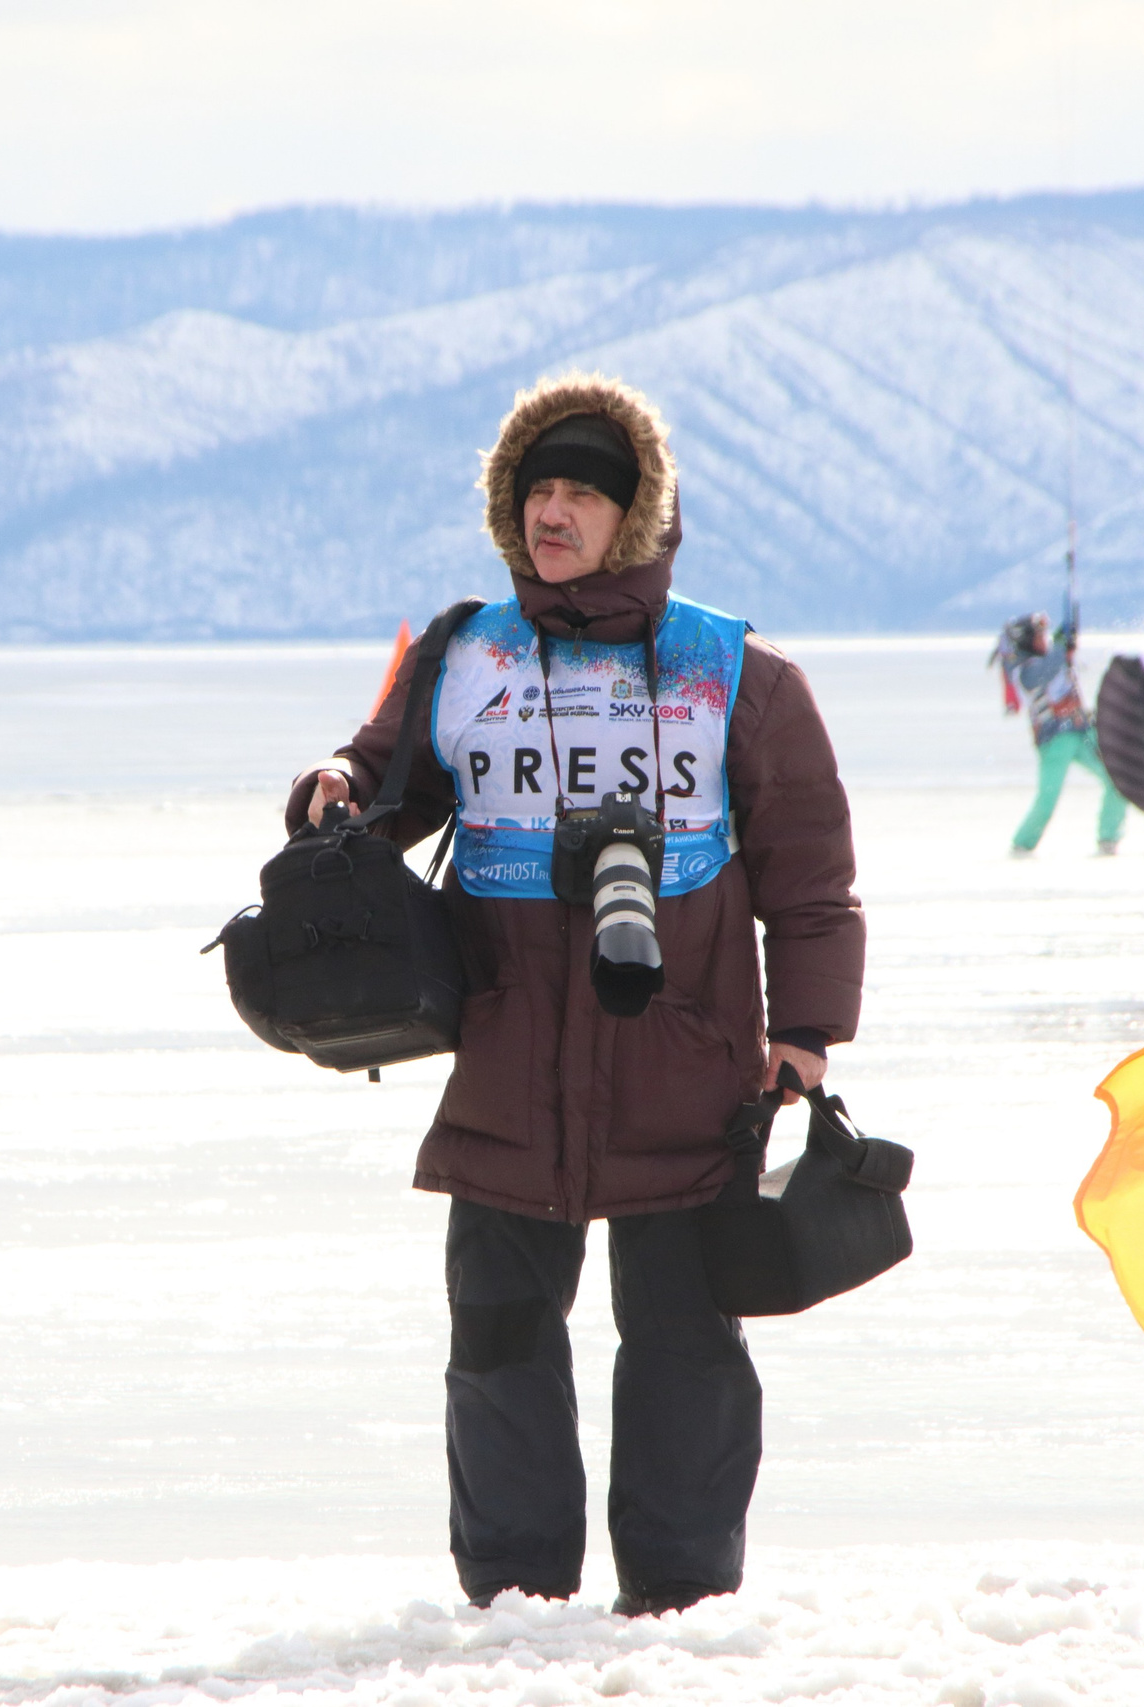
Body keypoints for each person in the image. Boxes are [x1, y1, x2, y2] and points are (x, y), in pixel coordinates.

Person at [286, 373, 865, 1617]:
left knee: (682, 1352)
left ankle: (680, 1603)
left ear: (634, 514)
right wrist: (336, 782)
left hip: (686, 1063)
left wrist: (807, 1036)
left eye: (581, 494)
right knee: (496, 1344)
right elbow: (386, 781)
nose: (553, 513)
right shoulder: (466, 653)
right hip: (508, 1063)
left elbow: (812, 884)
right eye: (536, 490)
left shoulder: (739, 676)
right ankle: (513, 1599)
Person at [989, 602, 1124, 856]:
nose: (1045, 639)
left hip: (1082, 731)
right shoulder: (1024, 670)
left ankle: (1109, 839)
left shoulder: (1054, 655)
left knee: (1117, 779)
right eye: (1040, 635)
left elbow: (1057, 658)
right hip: (1055, 741)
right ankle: (1022, 845)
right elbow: (1044, 671)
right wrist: (1064, 646)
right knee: (1048, 799)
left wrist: (1065, 643)